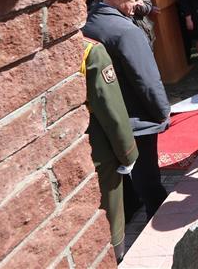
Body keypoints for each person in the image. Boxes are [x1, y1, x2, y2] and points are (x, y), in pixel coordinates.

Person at [82, 0, 170, 220]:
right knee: (146, 171)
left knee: (122, 168)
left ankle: (130, 205)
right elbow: (146, 79)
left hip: (108, 113)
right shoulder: (126, 31)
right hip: (136, 114)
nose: (139, 4)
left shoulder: (91, 21)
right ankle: (158, 212)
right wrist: (162, 111)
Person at [81, 37, 138, 263]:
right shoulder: (90, 51)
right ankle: (116, 257)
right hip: (98, 149)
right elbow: (111, 109)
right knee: (112, 212)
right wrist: (128, 153)